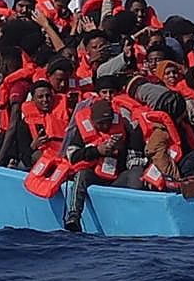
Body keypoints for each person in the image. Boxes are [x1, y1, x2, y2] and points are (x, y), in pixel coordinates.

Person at [62, 98, 146, 232]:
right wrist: (97, 151)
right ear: (93, 122)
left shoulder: (123, 128)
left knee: (136, 173)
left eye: (108, 122)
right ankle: (74, 216)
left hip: (117, 178)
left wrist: (121, 149)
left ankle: (136, 215)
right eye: (101, 123)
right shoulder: (82, 130)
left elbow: (134, 159)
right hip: (94, 176)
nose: (105, 126)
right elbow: (72, 156)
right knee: (81, 175)